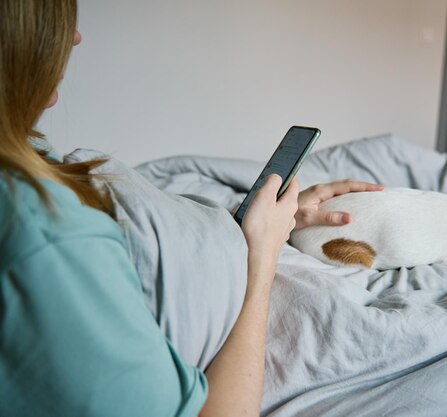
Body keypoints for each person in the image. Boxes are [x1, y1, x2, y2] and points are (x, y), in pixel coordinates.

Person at [0, 1, 383, 416]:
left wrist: (260, 222)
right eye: (55, 22)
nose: (74, 38)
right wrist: (262, 258)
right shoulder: (46, 241)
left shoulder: (21, 152)